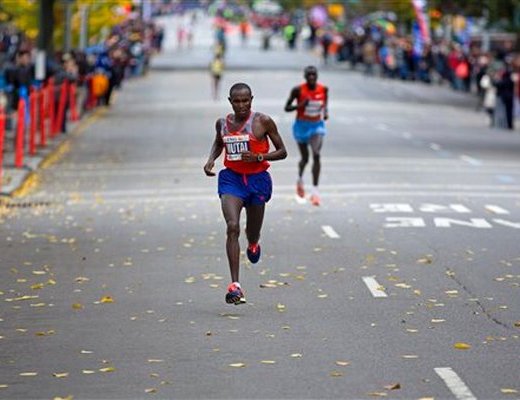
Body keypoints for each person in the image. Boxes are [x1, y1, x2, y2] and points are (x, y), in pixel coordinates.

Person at [204, 83, 287, 305]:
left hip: (257, 181)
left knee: (252, 231)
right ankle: (235, 286)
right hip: (231, 179)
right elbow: (218, 142)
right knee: (232, 226)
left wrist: (260, 157)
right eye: (236, 101)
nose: (241, 105)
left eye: (245, 100)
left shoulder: (263, 122)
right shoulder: (222, 123)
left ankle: (253, 243)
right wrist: (211, 159)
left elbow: (283, 152)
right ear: (230, 101)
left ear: (252, 99)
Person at [284, 65, 328, 206]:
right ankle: (300, 179)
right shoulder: (298, 90)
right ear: (304, 76)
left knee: (316, 154)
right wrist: (300, 105)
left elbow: (325, 103)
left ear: (317, 76)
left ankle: (315, 192)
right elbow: (287, 107)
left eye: (313, 75)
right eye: (308, 75)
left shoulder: (323, 89)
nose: (311, 77)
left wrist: (325, 112)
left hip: (317, 126)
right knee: (305, 158)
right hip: (301, 126)